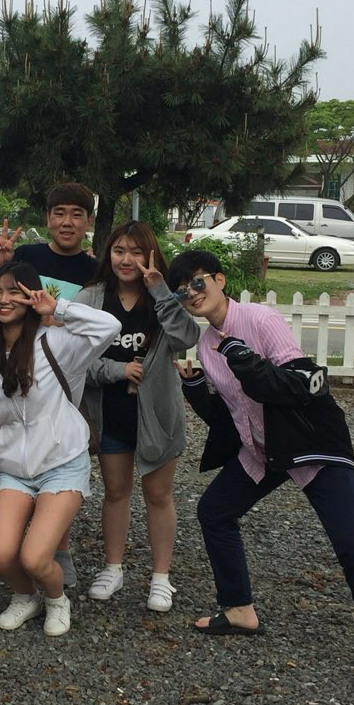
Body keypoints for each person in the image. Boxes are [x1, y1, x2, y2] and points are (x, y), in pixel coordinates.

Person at [165, 249, 354, 692]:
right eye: (180, 292)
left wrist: (242, 356)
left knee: (351, 543)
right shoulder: (207, 346)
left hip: (311, 444)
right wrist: (195, 387)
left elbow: (300, 386)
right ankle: (239, 609)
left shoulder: (260, 319)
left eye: (197, 282)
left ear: (219, 280)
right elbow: (228, 418)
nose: (191, 294)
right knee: (214, 511)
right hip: (264, 450)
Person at [0, 262, 120, 637]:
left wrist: (59, 309)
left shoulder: (57, 343)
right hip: (15, 469)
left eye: (14, 291)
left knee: (36, 557)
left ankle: (56, 600)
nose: (4, 299)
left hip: (62, 462)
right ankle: (27, 596)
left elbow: (109, 327)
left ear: (31, 295)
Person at [75, 221, 200, 612]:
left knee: (159, 494)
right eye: (119, 251)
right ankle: (113, 567)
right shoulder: (91, 298)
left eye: (135, 252)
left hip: (158, 414)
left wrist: (159, 290)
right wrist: (117, 370)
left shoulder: (162, 297)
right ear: (108, 254)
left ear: (150, 255)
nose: (126, 260)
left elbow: (186, 337)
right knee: (115, 492)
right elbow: (73, 359)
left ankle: (161, 577)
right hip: (109, 413)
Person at [0, 181, 99, 587]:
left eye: (77, 214)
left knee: (59, 454)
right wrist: (0, 262)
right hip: (30, 363)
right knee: (31, 445)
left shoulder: (95, 270)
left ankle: (58, 547)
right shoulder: (29, 257)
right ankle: (27, 544)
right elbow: (0, 296)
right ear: (48, 218)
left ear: (88, 221)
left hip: (73, 369)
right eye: (59, 213)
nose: (67, 222)